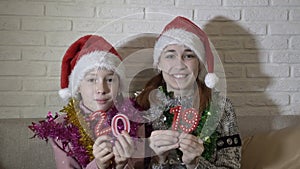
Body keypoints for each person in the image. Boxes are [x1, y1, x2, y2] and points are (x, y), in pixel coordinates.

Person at [135, 16, 242, 168]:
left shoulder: (222, 108)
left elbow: (232, 166)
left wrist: (195, 164)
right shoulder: (140, 106)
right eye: (170, 55)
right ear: (159, 63)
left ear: (199, 63)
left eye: (189, 55)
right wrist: (159, 160)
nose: (179, 64)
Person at [29, 35, 142, 169]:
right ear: (78, 87)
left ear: (119, 85)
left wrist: (121, 166)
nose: (101, 89)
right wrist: (98, 165)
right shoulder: (62, 128)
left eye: (110, 80)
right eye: (92, 80)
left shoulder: (133, 119)